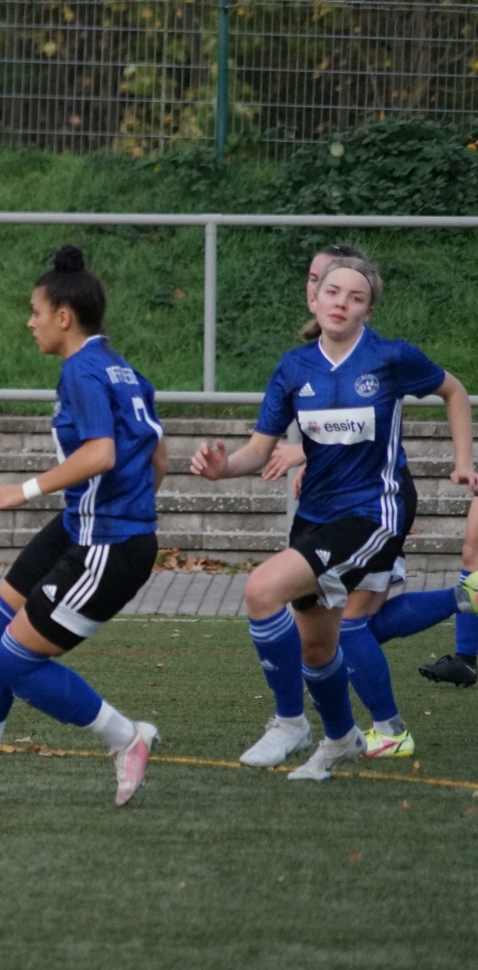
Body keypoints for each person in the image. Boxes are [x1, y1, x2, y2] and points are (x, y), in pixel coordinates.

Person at [191, 252, 477, 780]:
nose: (342, 302)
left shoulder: (389, 359)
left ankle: (290, 722)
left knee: (262, 589)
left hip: (374, 512)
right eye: (332, 292)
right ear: (315, 297)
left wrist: (464, 462)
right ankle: (343, 739)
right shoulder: (294, 367)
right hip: (315, 515)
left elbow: (454, 391)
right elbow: (260, 450)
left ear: (368, 310)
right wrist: (222, 468)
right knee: (318, 645)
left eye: (356, 297)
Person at [0, 247, 163, 805]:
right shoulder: (125, 370)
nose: (30, 321)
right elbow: (156, 456)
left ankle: (126, 739)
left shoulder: (81, 369)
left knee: (15, 658)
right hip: (83, 525)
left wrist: (22, 490)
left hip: (108, 542)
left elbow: (100, 453)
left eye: (35, 310)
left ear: (64, 317)